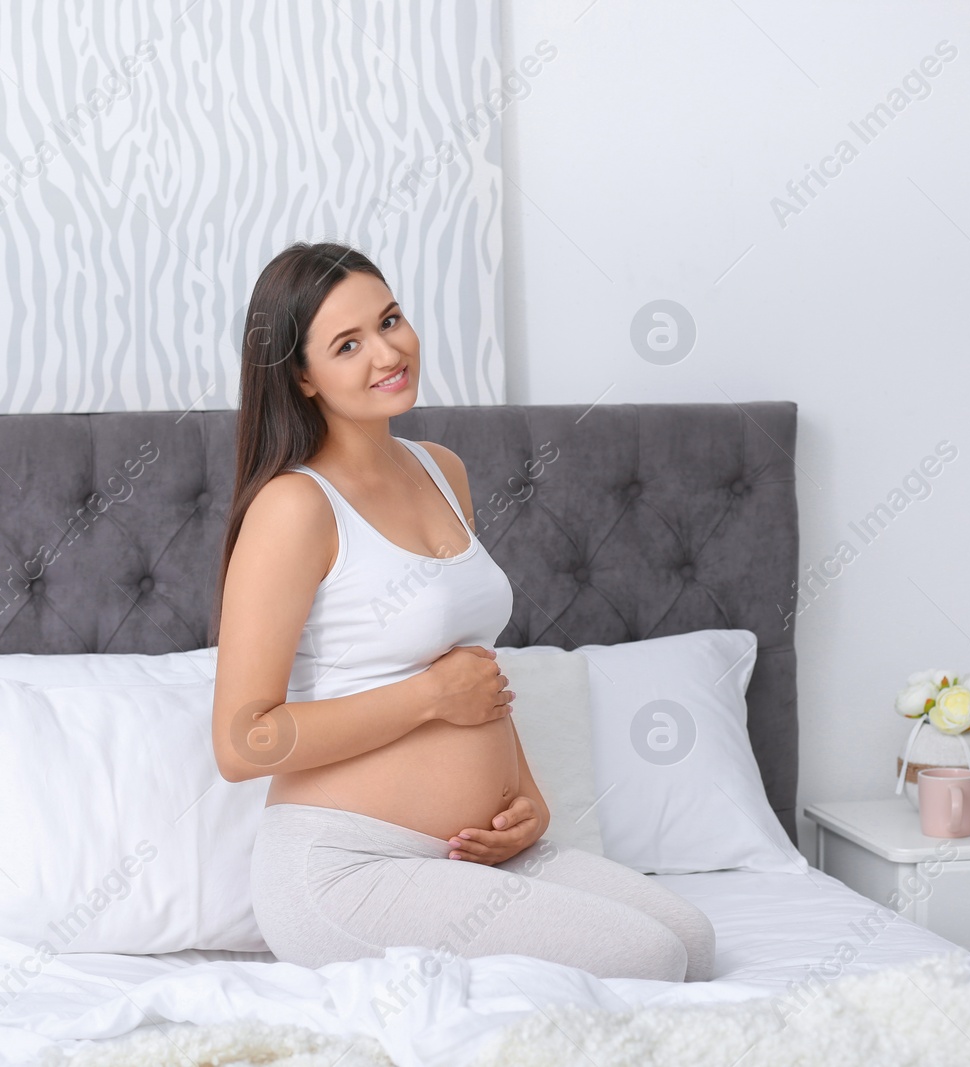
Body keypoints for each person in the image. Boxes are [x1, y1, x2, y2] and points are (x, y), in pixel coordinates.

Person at [210, 241, 716, 981]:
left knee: (691, 938)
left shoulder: (439, 468)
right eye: (348, 344)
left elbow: (471, 668)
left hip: (471, 853)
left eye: (391, 320)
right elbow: (241, 743)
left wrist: (530, 804)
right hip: (347, 867)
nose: (388, 351)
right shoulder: (294, 506)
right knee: (651, 957)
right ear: (302, 377)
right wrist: (425, 698)